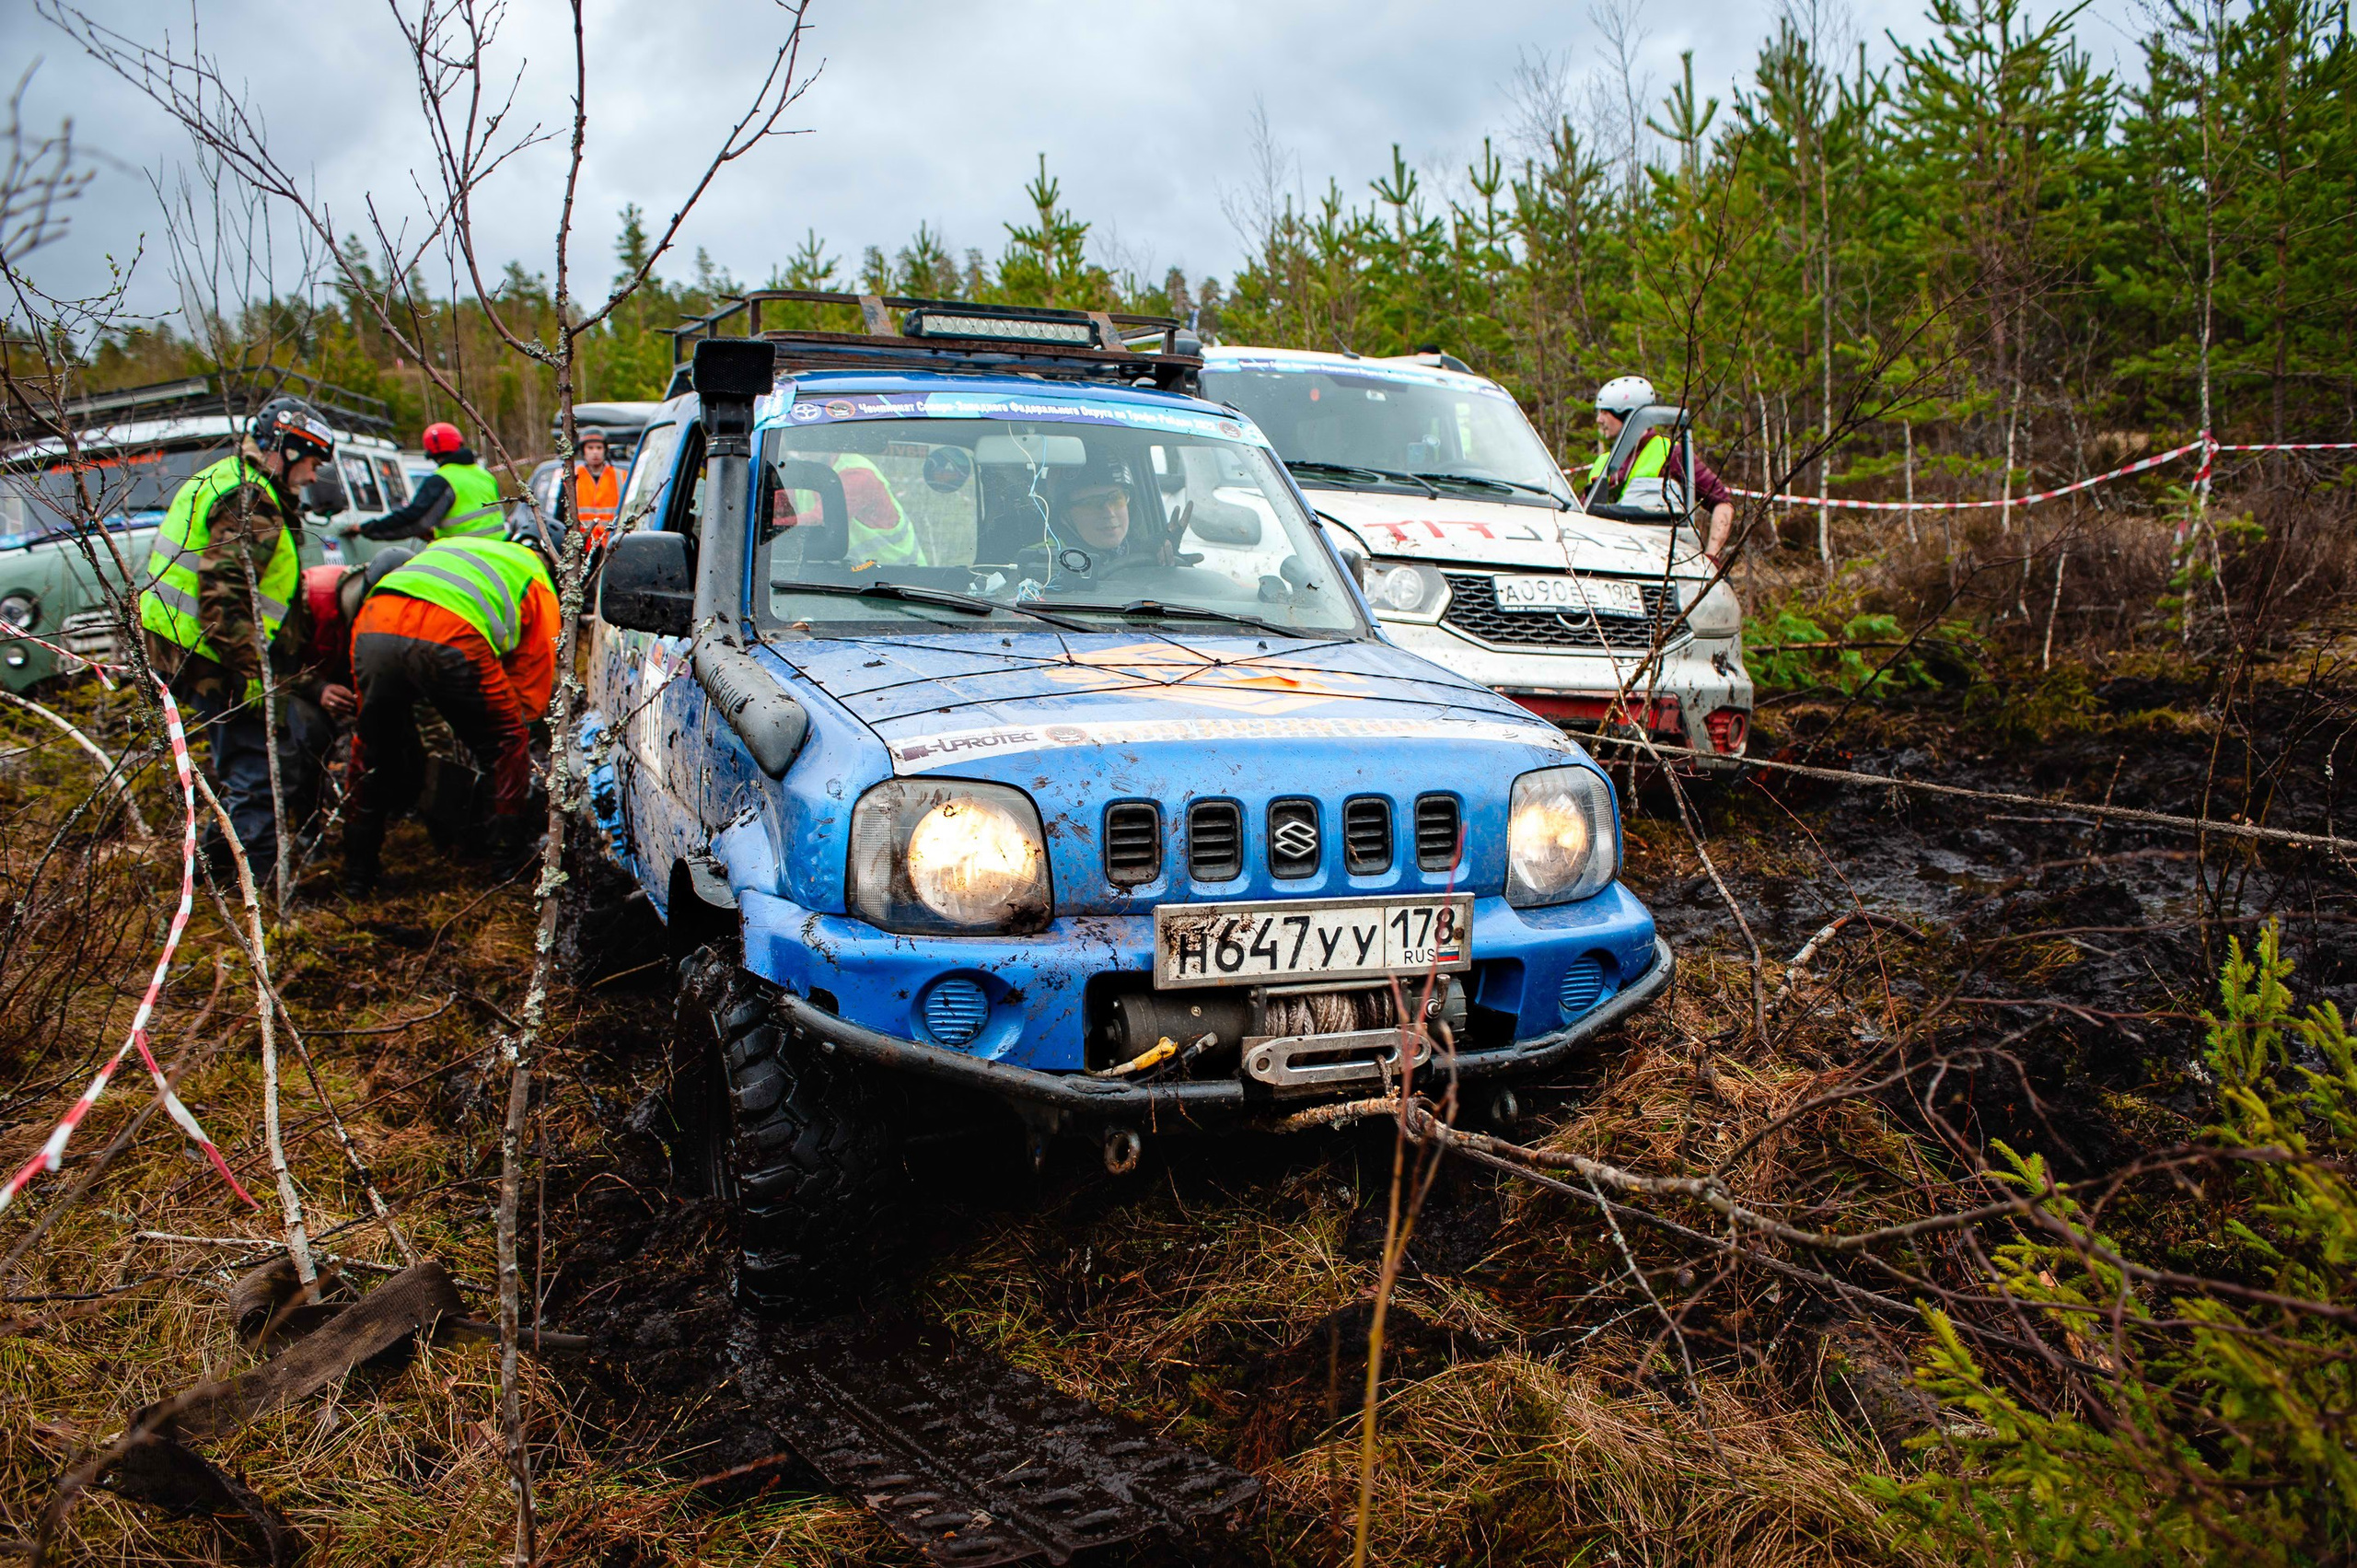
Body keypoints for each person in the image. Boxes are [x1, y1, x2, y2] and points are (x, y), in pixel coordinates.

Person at [137, 395, 337, 874]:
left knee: (243, 762)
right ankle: (255, 884)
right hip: (212, 651)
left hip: (185, 641)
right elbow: (224, 594)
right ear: (288, 451)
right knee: (257, 767)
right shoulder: (252, 499)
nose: (314, 477)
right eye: (312, 464)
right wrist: (253, 673)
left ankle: (216, 864)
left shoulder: (228, 477)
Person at [342, 528, 559, 895]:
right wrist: (509, 732)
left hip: (375, 619)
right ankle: (506, 866)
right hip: (449, 632)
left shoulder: (454, 547)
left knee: (372, 746)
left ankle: (356, 875)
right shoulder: (538, 580)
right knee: (507, 743)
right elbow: (530, 686)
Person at [1585, 376, 1738, 562]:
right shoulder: (1603, 462)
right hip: (1607, 559)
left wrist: (1711, 558)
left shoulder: (1671, 453)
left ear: (1627, 415)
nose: (1599, 419)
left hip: (1657, 560)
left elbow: (1721, 502)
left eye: (1605, 412)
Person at [349, 421, 505, 544]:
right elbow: (480, 521)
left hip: (465, 554)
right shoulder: (485, 475)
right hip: (499, 550)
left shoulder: (442, 479)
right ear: (459, 443)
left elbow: (415, 520)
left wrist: (367, 528)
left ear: (432, 455)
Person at [570, 428, 620, 550]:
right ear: (583, 450)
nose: (595, 452)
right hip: (582, 547)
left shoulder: (621, 476)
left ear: (605, 450)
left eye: (599, 448)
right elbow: (561, 514)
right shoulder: (571, 477)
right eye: (590, 448)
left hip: (612, 545)